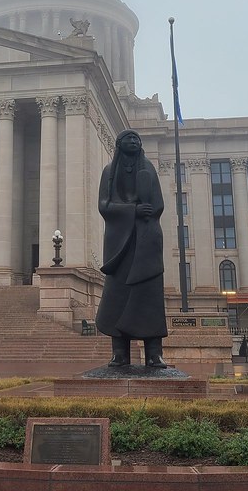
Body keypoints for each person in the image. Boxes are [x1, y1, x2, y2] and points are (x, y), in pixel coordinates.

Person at [95, 129, 168, 367]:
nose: (134, 142)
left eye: (137, 139)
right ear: (119, 144)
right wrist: (132, 210)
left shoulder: (149, 170)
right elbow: (104, 206)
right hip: (120, 244)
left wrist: (144, 212)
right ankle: (119, 352)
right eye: (129, 138)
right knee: (117, 296)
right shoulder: (109, 172)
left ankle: (154, 353)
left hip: (146, 239)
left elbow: (158, 205)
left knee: (149, 297)